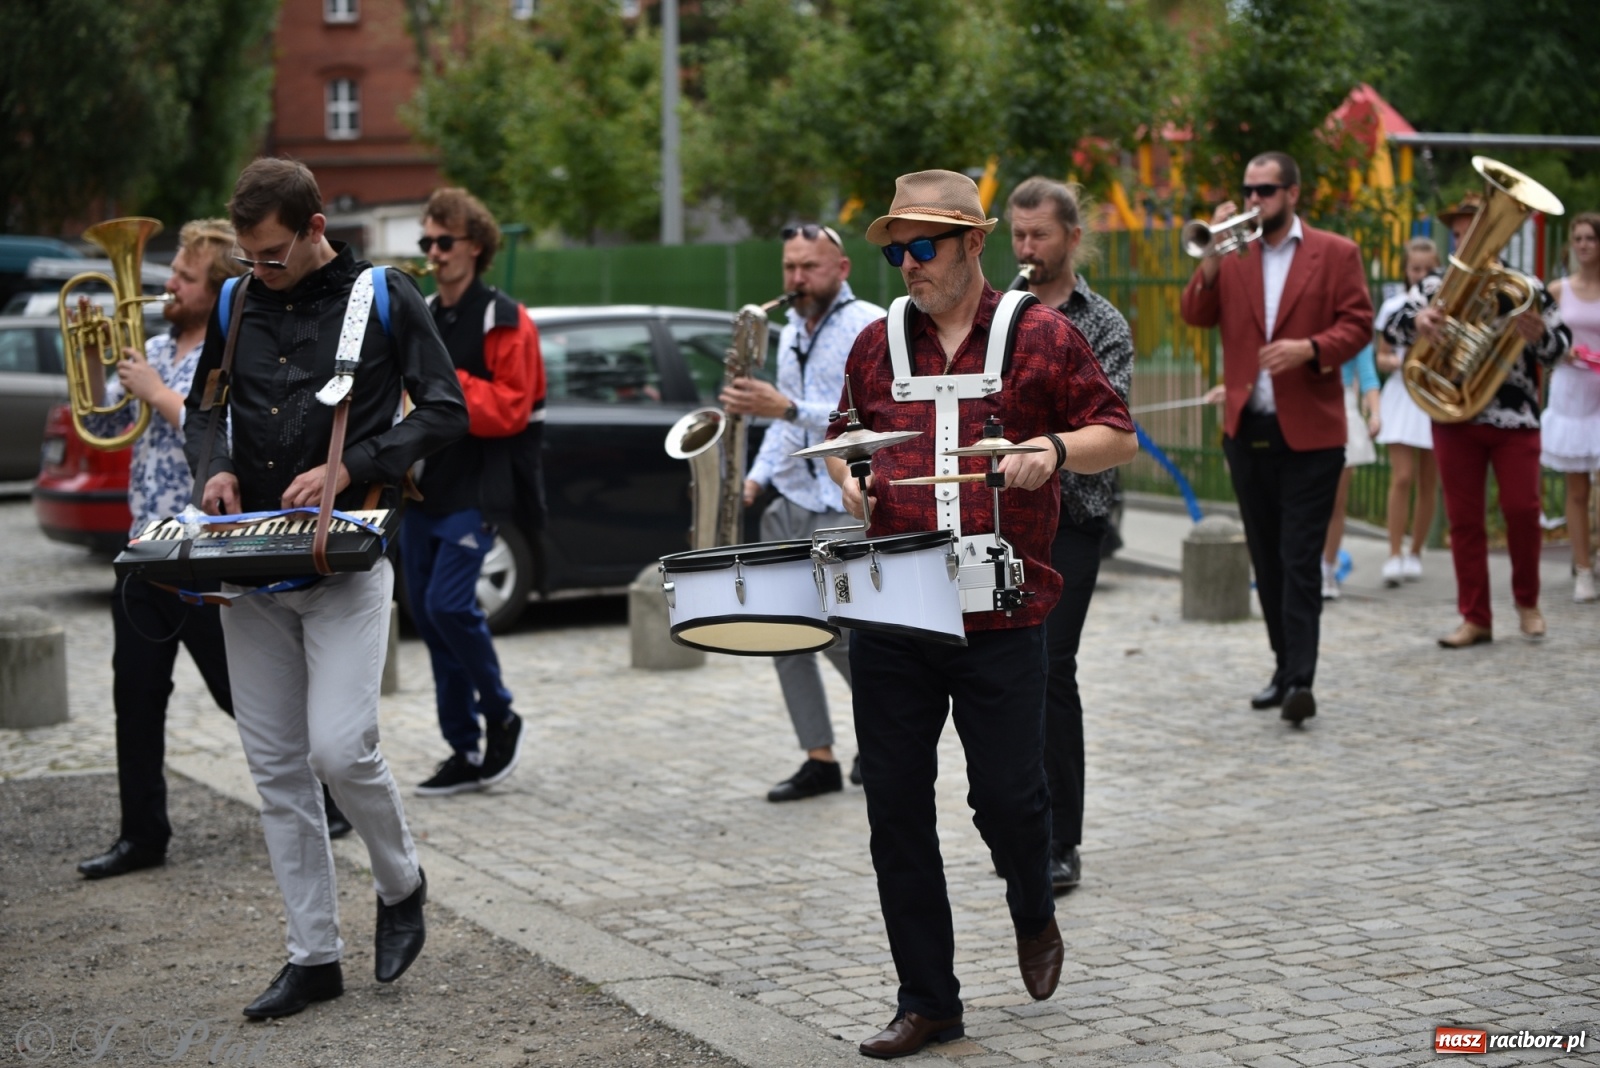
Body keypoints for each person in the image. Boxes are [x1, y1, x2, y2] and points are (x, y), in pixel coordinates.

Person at [825, 170, 1136, 1059]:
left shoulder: (1040, 334)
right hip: (893, 613)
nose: (907, 264)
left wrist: (1050, 450)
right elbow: (846, 439)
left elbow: (1117, 430)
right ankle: (929, 1001)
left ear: (972, 243)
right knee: (894, 806)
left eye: (923, 246)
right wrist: (851, 479)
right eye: (895, 249)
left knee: (1005, 798)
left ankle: (1032, 906)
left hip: (1002, 611)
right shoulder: (876, 343)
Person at [184, 159, 468, 1019]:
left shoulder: (386, 294)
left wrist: (356, 465)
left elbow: (446, 410)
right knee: (274, 772)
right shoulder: (236, 301)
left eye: (271, 254)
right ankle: (313, 955)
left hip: (346, 557)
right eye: (247, 256)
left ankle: (401, 879)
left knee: (339, 750)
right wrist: (218, 466)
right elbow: (203, 410)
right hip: (251, 559)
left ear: (314, 230)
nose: (257, 270)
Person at [76, 220, 296, 880]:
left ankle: (326, 797)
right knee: (135, 696)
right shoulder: (156, 346)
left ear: (220, 288)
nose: (168, 284)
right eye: (172, 271)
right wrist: (95, 362)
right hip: (146, 544)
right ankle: (141, 834)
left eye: (185, 277)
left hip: (206, 550)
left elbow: (222, 436)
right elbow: (107, 424)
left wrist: (159, 395)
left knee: (243, 696)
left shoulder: (234, 353)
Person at [1179, 151, 1373, 726]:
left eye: (1266, 190)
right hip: (1249, 429)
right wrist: (1211, 261)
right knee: (1266, 555)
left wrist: (1310, 349)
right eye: (1248, 189)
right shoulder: (1234, 253)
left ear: (1292, 193)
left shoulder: (1336, 253)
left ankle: (1300, 681)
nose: (1255, 199)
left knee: (1297, 558)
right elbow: (1195, 314)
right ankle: (1283, 666)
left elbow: (1359, 323)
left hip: (1312, 433)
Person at [719, 222, 885, 803]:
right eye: (790, 267)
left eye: (808, 268)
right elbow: (780, 429)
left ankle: (880, 738)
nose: (796, 279)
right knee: (781, 635)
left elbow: (868, 420)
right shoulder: (788, 331)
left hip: (842, 499)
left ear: (841, 269)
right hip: (790, 498)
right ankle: (818, 757)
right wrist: (755, 479)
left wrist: (785, 406)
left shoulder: (869, 324)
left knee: (843, 636)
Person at [1006, 177, 1133, 893]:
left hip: (1072, 517)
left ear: (1072, 238)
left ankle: (1063, 839)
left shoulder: (1103, 323)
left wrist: (1041, 434)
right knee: (1006, 672)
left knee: (1054, 668)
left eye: (1040, 236)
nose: (1027, 249)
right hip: (1003, 517)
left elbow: (1105, 424)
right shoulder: (1000, 315)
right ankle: (1019, 823)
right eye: (1018, 236)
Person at [407, 188, 543, 796]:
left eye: (444, 242)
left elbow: (511, 409)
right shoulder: (426, 313)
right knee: (429, 618)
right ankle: (461, 746)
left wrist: (442, 387)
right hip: (421, 490)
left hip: (477, 489)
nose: (433, 254)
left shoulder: (506, 318)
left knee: (448, 606)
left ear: (477, 246)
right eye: (426, 243)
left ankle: (501, 712)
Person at [1387, 196, 1570, 646]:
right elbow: (1390, 321)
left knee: (1522, 511)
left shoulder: (1524, 285)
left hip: (1516, 416)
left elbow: (1561, 347)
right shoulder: (1436, 284)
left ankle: (1527, 603)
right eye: (1459, 230)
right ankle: (1476, 617)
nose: (1464, 237)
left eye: (1474, 228)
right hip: (1455, 415)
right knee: (1464, 519)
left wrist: (1540, 335)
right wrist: (1419, 321)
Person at [1539, 212, 1600, 602]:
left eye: (1590, 238)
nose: (1582, 245)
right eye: (1577, 238)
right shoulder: (1559, 290)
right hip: (1571, 390)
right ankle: (1583, 568)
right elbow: (1541, 343)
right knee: (1576, 487)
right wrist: (1560, 355)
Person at [1374, 238, 1442, 586]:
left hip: (1432, 394)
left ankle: (1415, 552)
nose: (1420, 275)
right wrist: (1401, 362)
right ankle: (1393, 553)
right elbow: (1381, 356)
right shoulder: (1395, 307)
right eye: (1415, 269)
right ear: (1405, 270)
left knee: (1429, 479)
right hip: (1403, 393)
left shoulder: (1446, 307)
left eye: (1428, 269)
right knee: (1402, 476)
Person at [1320, 343, 1381, 600]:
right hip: (1309, 404)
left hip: (1343, 407)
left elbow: (1367, 375)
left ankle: (1327, 569)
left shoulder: (1356, 332)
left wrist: (1376, 413)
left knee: (1335, 501)